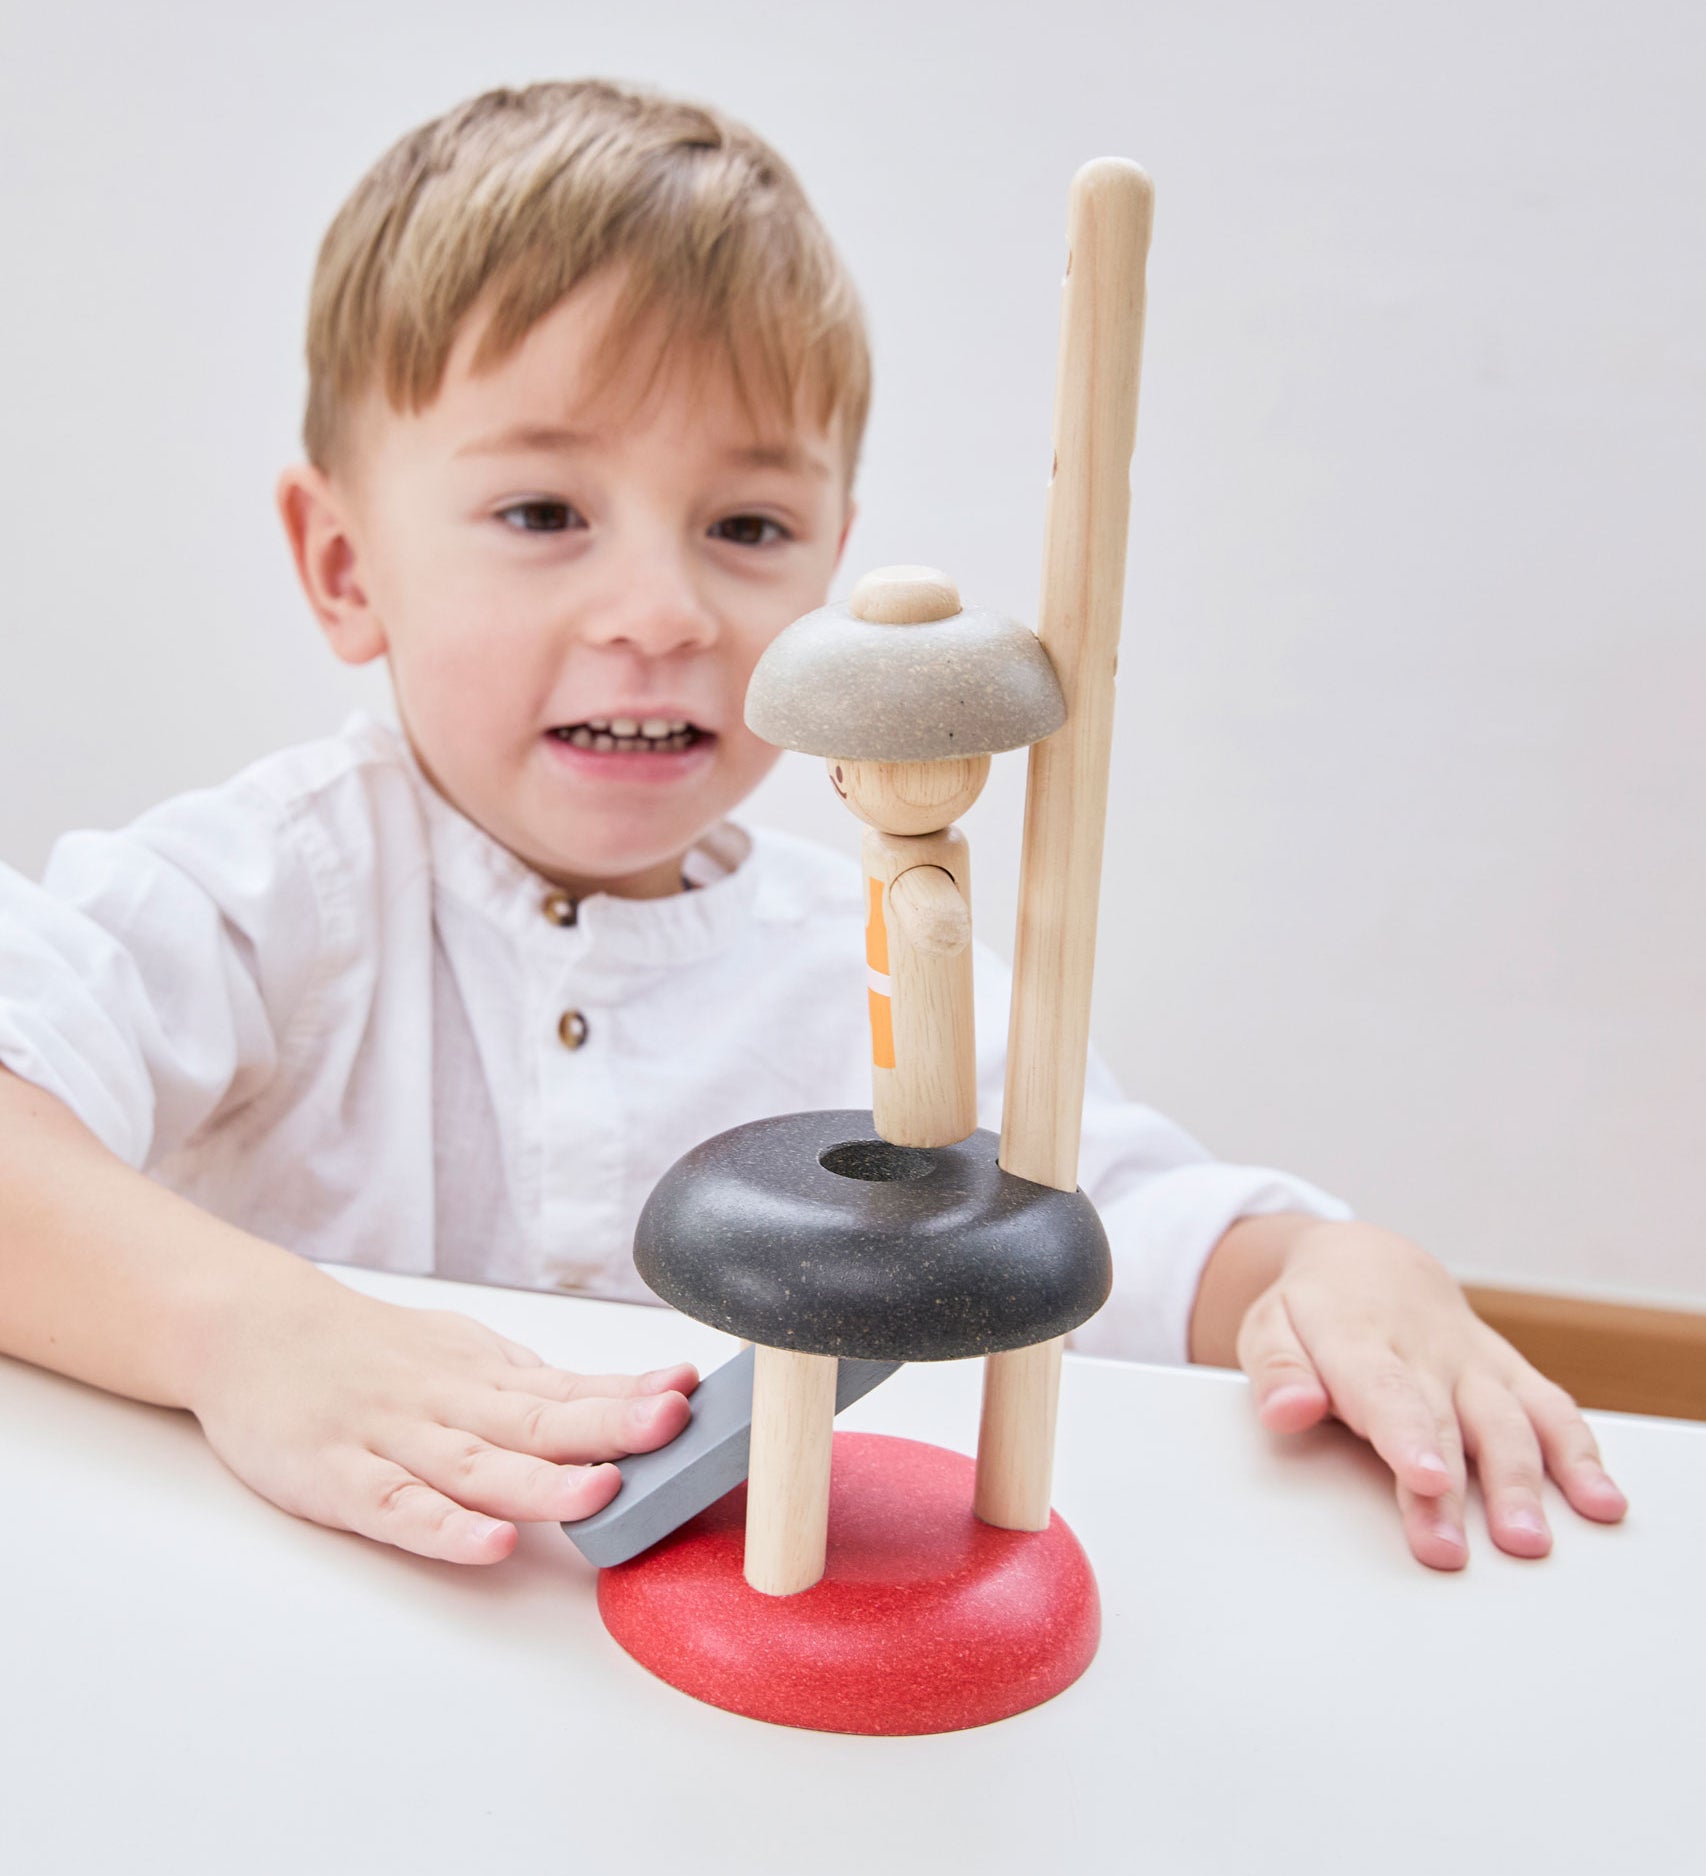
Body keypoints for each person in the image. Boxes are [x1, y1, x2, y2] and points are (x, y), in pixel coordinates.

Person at [0, 78, 1625, 1573]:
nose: (660, 610)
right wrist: (249, 1333)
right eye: (543, 513)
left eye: (747, 525)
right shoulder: (271, 889)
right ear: (345, 563)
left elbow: (1126, 1221)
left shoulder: (871, 964)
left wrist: (1323, 1274)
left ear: (832, 563)